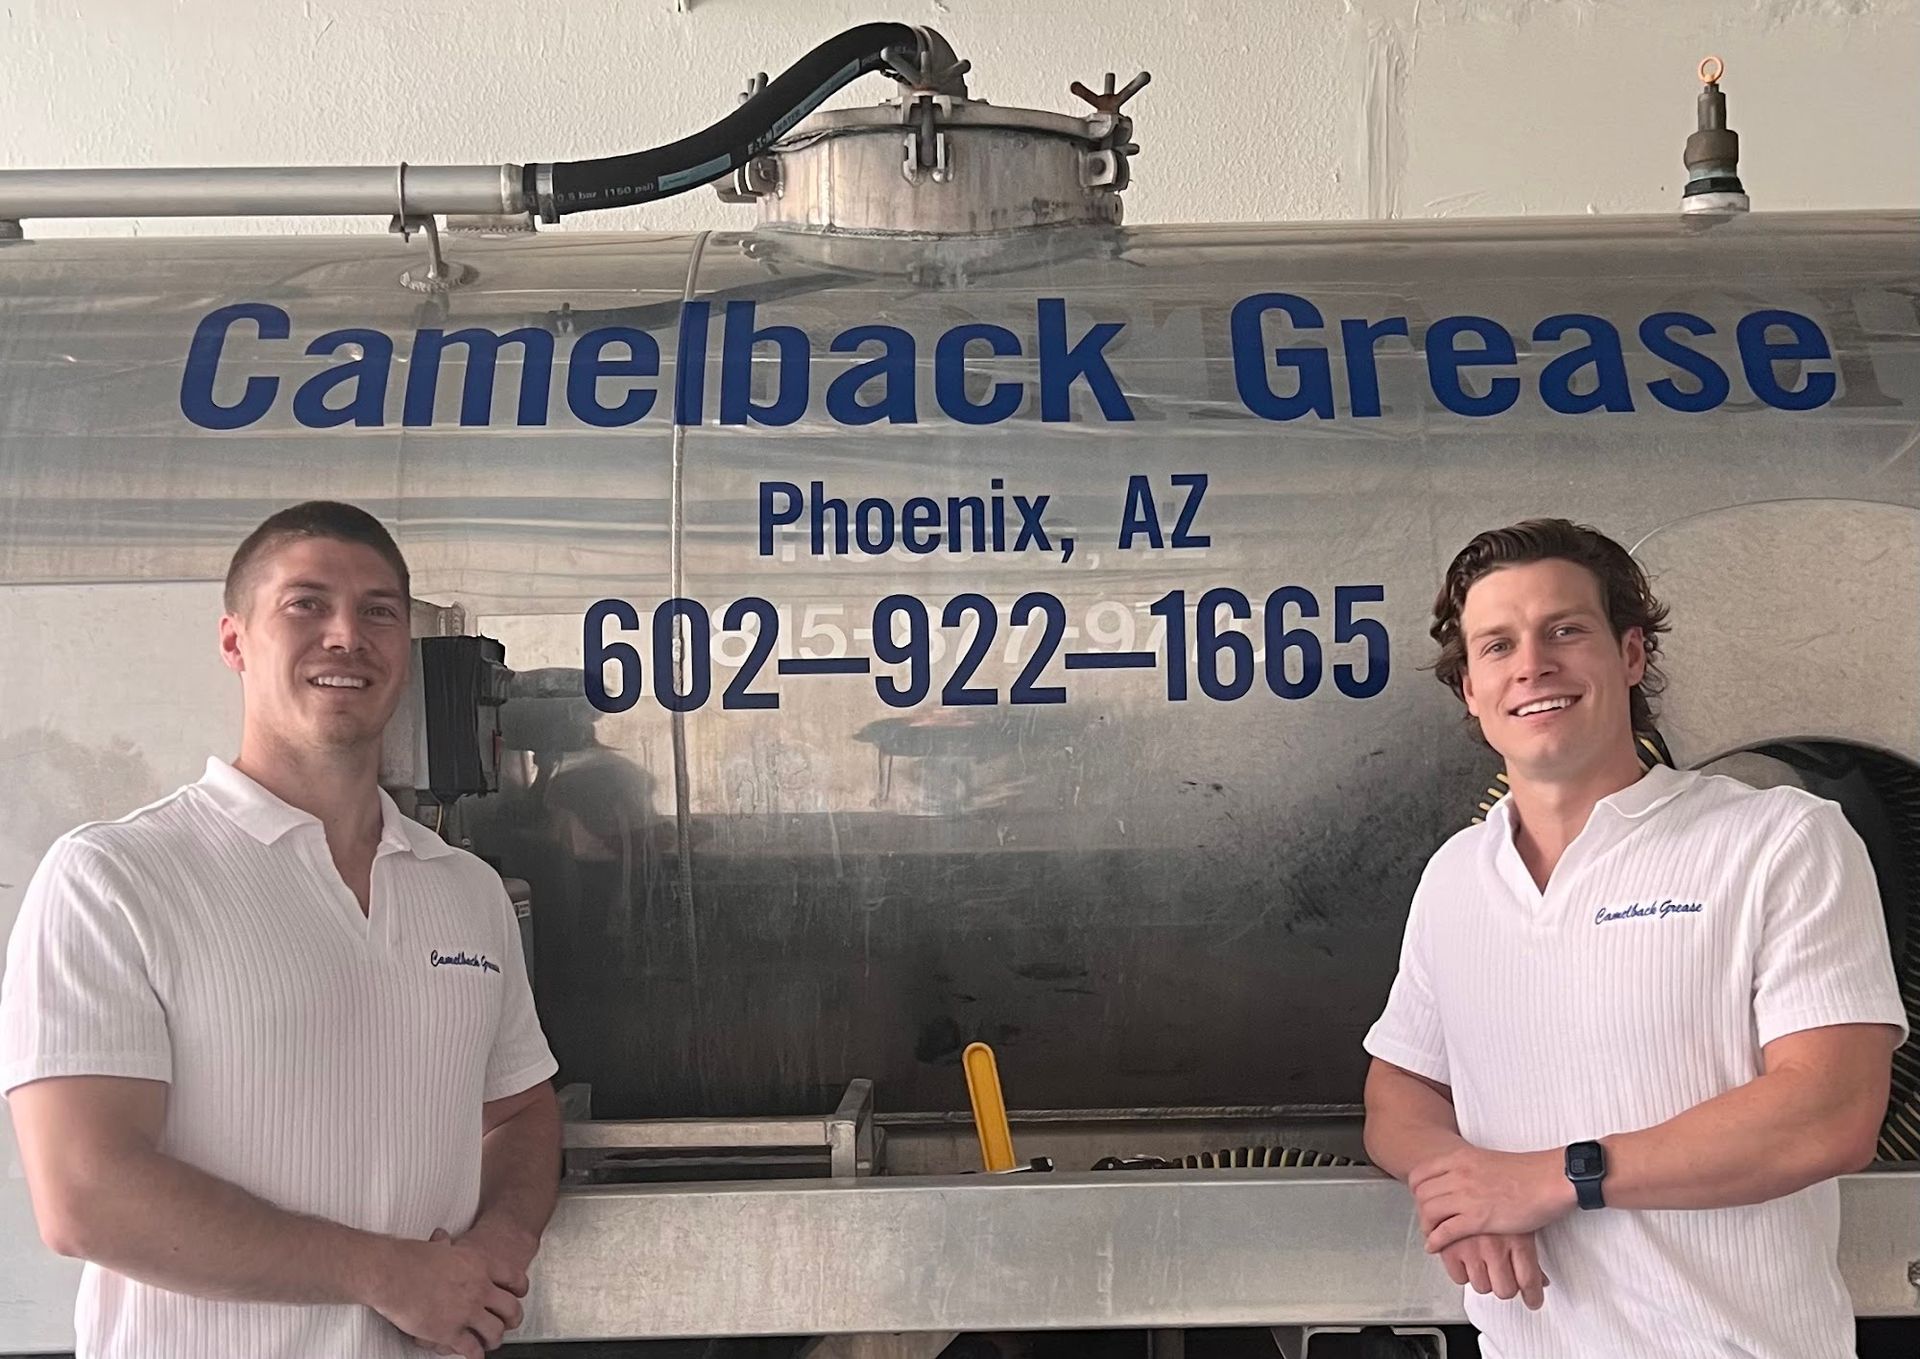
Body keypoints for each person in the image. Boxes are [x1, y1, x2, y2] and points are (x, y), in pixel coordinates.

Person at [0, 501, 561, 1359]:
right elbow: (87, 1193)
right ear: (235, 641)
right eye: (306, 603)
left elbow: (520, 1110)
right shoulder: (115, 878)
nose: (347, 635)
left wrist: (499, 1249)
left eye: (379, 611)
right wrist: (385, 1273)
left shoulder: (465, 890)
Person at [1362, 518, 1907, 1359]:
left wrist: (1545, 1181)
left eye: (1564, 630)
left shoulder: (1778, 839)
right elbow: (1399, 1091)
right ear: (1470, 689)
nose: (1532, 665)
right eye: (1497, 645)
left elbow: (1829, 1112)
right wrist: (1456, 1187)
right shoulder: (1456, 877)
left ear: (1632, 654)